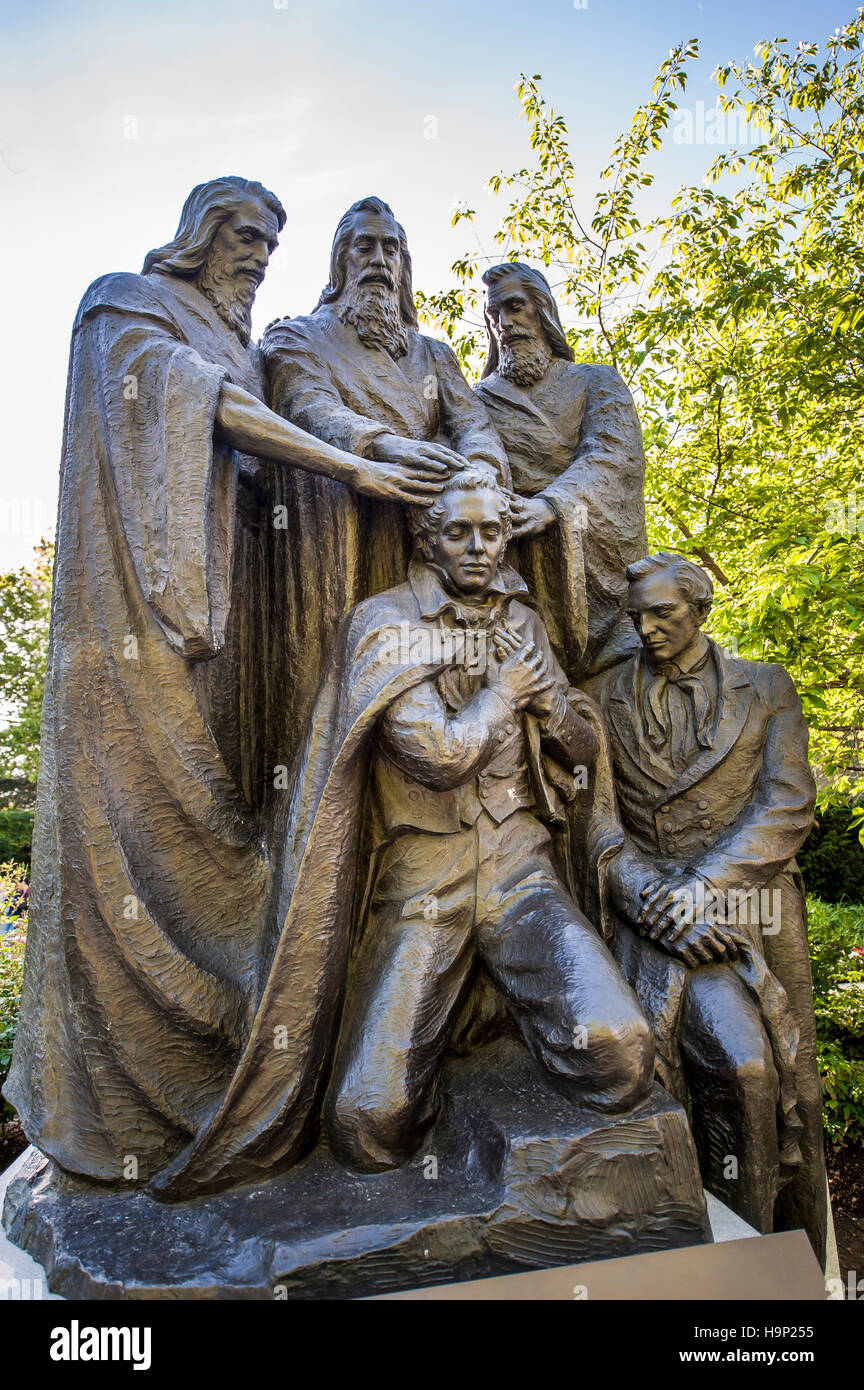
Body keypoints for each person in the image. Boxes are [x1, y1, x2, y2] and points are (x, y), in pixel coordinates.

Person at [4, 177, 442, 1185]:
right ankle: (114, 1121)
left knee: (230, 841)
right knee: (130, 845)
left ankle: (227, 1082)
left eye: (271, 241)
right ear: (197, 236)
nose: (257, 253)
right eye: (244, 234)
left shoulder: (251, 341)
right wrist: (357, 465)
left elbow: (253, 438)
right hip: (133, 634)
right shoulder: (126, 303)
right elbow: (208, 405)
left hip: (231, 638)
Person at [149, 474, 654, 1198]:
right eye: (459, 532)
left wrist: (553, 703)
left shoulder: (525, 621)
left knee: (621, 1053)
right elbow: (438, 757)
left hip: (521, 872)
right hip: (427, 883)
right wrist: (506, 695)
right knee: (367, 1127)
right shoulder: (385, 625)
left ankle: (512, 1121)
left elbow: (577, 748)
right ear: (427, 537)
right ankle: (445, 1095)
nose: (479, 548)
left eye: (492, 533)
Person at [583, 552, 826, 1253]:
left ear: (701, 609)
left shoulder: (765, 688)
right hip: (647, 911)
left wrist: (698, 894)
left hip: (748, 907)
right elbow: (594, 821)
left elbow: (787, 805)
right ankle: (705, 1250)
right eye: (638, 616)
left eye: (664, 612)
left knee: (785, 1084)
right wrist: (650, 897)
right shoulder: (601, 698)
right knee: (737, 1069)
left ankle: (779, 1258)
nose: (648, 628)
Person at [260, 196, 510, 760]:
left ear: (405, 264)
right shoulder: (297, 336)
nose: (380, 259)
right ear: (340, 262)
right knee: (333, 683)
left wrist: (482, 474)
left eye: (391, 248)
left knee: (431, 683)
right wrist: (385, 448)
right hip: (335, 525)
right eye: (365, 246)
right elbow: (308, 405)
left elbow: (473, 424)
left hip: (427, 534)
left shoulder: (434, 355)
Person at [475, 262, 647, 683]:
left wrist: (551, 506)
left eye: (517, 307)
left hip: (594, 559)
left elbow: (612, 455)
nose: (506, 323)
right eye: (494, 314)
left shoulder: (595, 382)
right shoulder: (474, 400)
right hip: (514, 564)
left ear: (544, 310)